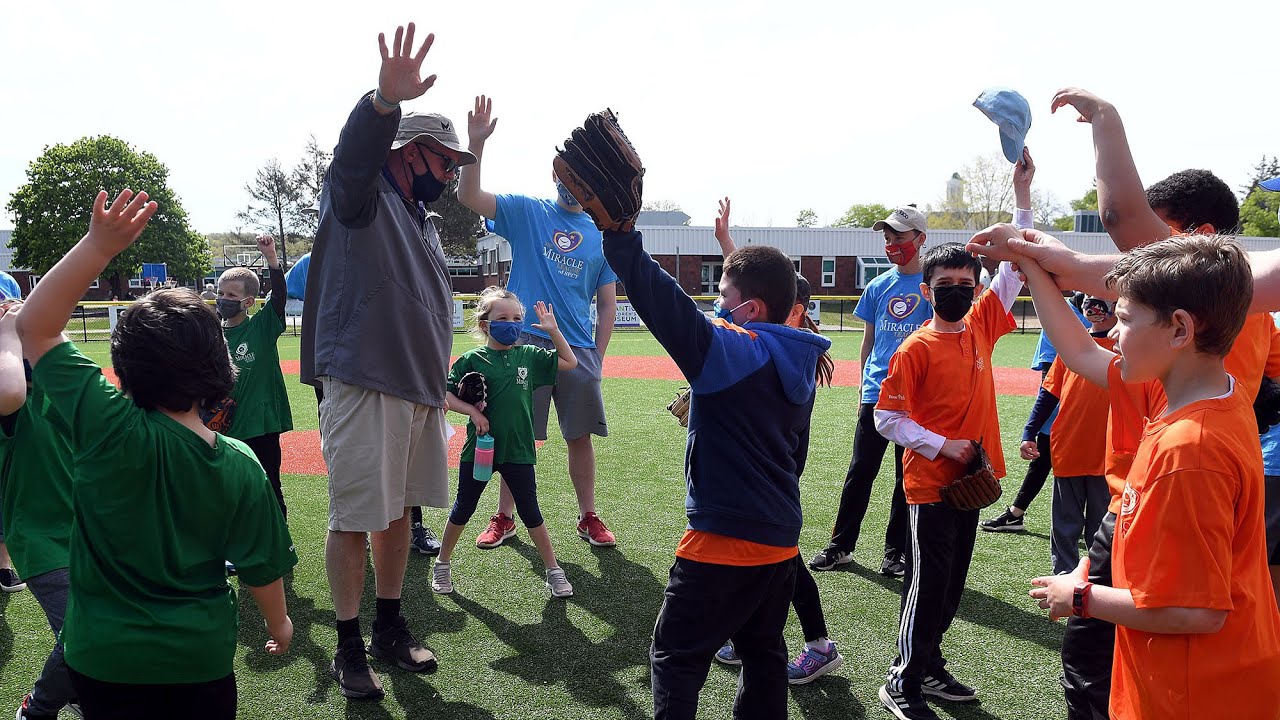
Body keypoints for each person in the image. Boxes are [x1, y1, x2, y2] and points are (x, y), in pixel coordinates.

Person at [17, 188, 295, 719]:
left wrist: (99, 247)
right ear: (218, 365)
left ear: (125, 363)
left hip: (101, 655)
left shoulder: (103, 423)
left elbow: (35, 325)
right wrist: (280, 625)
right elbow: (261, 567)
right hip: (200, 658)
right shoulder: (240, 462)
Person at [1023, 233, 1280, 719]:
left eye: (1123, 319)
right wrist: (1030, 264)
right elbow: (1079, 349)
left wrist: (1081, 596)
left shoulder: (1190, 448)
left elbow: (1197, 612)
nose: (1113, 335)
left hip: (1193, 693)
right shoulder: (1210, 393)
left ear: (1180, 329)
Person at [300, 23, 473, 700]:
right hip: (365, 383)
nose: (453, 172)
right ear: (409, 154)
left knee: (400, 514)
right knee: (353, 517)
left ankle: (390, 629)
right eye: (446, 160)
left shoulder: (420, 220)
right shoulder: (360, 197)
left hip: (416, 390)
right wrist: (382, 103)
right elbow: (352, 158)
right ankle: (348, 648)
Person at [458, 95, 620, 549]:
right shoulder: (529, 211)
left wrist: (598, 357)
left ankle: (588, 515)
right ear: (556, 173)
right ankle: (504, 517)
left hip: (577, 349)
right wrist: (475, 143)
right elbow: (469, 196)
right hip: (523, 341)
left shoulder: (601, 234)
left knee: (579, 436)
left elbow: (607, 304)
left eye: (582, 178)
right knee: (516, 436)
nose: (573, 185)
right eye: (568, 175)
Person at [873, 242, 1022, 720]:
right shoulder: (915, 347)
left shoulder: (979, 325)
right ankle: (903, 679)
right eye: (945, 286)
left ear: (976, 289)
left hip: (970, 483)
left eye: (966, 285)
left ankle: (929, 666)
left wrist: (1022, 198)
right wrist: (943, 444)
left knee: (952, 583)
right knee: (928, 583)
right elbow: (886, 418)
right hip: (931, 486)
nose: (957, 293)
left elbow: (1014, 270)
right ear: (926, 290)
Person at [710, 198, 842, 684]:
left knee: (779, 556)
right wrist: (727, 244)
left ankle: (818, 644)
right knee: (764, 553)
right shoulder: (778, 340)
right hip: (771, 463)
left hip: (778, 466)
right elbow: (752, 286)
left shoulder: (790, 349)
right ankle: (751, 631)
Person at [430, 288, 577, 598]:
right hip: (480, 450)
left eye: (517, 318)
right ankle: (442, 564)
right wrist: (471, 411)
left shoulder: (529, 355)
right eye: (503, 318)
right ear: (486, 325)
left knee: (531, 512)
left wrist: (553, 330)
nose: (512, 324)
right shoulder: (472, 358)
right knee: (463, 508)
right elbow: (444, 395)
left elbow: (569, 361)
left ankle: (553, 571)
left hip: (518, 451)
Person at [1, 301, 79, 719]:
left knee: (91, 630)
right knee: (82, 633)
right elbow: (10, 390)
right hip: (41, 539)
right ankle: (38, 707)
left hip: (88, 534)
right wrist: (9, 331)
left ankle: (81, 689)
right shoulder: (11, 405)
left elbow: (76, 368)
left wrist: (41, 322)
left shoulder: (60, 393)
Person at [1021, 295, 1116, 574]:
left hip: (1109, 454)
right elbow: (1048, 393)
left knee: (1101, 526)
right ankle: (1063, 575)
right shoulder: (1073, 347)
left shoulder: (1128, 349)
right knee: (1065, 524)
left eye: (1100, 299)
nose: (1093, 304)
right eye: (1087, 298)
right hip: (1069, 448)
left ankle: (1097, 580)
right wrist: (1029, 430)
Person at [981, 296, 1089, 533]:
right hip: (1069, 400)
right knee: (1046, 459)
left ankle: (1018, 513)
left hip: (1089, 404)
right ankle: (1017, 513)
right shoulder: (1062, 312)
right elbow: (1050, 377)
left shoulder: (1080, 309)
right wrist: (1035, 425)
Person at [216, 234, 293, 519]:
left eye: (232, 296)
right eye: (222, 294)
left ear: (248, 302)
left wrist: (272, 258)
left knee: (269, 486)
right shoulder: (213, 334)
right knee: (231, 488)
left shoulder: (262, 327)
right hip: (225, 426)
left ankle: (279, 543)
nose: (224, 300)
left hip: (261, 424)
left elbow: (279, 298)